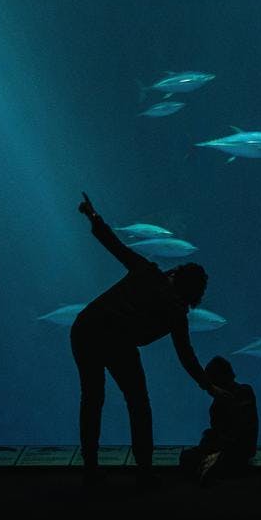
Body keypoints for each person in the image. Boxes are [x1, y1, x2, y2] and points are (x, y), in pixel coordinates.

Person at [71, 192, 224, 489]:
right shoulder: (176, 311)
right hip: (112, 340)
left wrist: (92, 217)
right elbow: (186, 354)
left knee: (93, 400)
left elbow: (114, 246)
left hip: (88, 329)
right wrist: (207, 385)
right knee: (138, 404)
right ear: (194, 296)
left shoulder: (149, 274)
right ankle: (143, 471)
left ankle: (92, 469)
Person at [179, 356, 258, 486]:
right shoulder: (244, 391)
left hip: (234, 450)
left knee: (189, 459)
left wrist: (214, 443)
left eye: (211, 380)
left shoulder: (238, 394)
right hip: (234, 448)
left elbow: (236, 430)